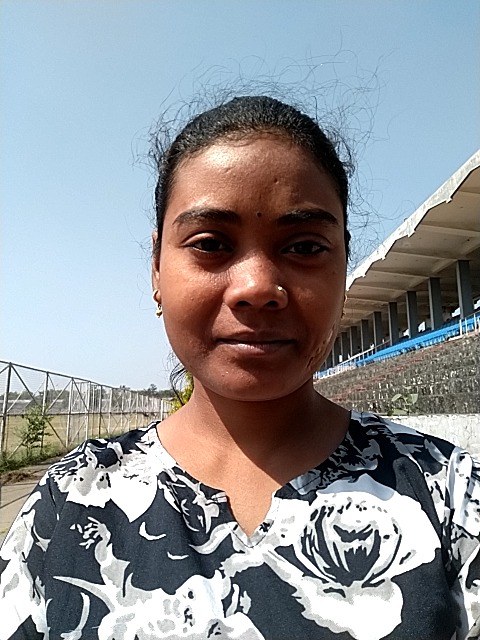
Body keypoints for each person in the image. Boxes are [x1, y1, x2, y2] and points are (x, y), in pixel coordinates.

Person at [1, 96, 479, 640]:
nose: (257, 287)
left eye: (304, 246)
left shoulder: (449, 495)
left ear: (344, 263)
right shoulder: (71, 501)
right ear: (156, 268)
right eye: (210, 244)